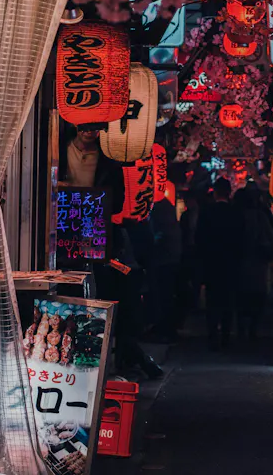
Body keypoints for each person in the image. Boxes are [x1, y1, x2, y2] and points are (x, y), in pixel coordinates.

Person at [60, 126, 163, 380]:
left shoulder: (109, 160)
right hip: (60, 229)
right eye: (84, 124)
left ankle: (98, 362)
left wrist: (98, 200)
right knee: (68, 291)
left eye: (96, 126)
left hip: (96, 232)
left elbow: (117, 202)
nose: (89, 130)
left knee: (102, 294)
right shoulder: (58, 149)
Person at [195, 177, 241, 349]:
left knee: (212, 299)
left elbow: (199, 238)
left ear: (215, 193)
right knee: (228, 299)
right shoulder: (235, 212)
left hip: (211, 262)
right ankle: (226, 335)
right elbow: (241, 239)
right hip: (230, 263)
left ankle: (212, 333)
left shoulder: (207, 212)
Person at [233, 183, 273, 341]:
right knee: (257, 296)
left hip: (240, 261)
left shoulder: (237, 215)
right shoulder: (262, 215)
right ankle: (252, 328)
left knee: (241, 296)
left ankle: (242, 328)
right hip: (258, 262)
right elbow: (272, 236)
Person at [150, 195, 183, 342]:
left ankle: (164, 328)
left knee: (163, 296)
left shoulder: (160, 208)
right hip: (169, 260)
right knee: (165, 296)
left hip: (164, 260)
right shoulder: (166, 207)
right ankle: (165, 328)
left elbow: (158, 236)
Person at [176, 190, 201, 328]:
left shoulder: (202, 214)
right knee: (188, 277)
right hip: (188, 250)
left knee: (195, 277)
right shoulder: (185, 216)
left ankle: (194, 301)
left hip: (196, 250)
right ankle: (191, 302)